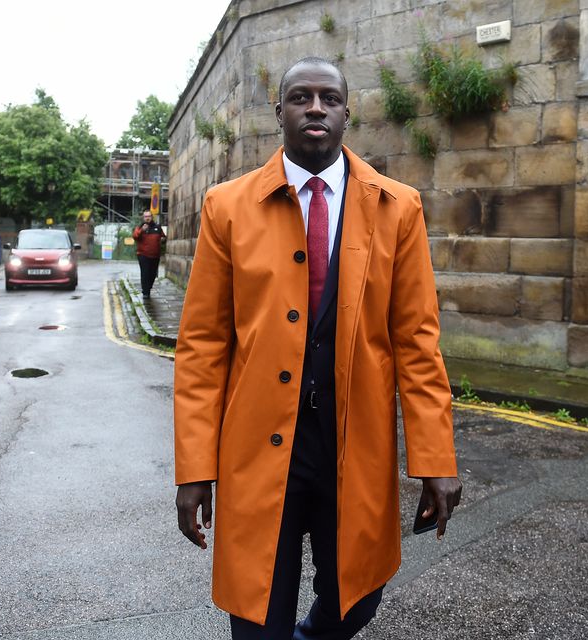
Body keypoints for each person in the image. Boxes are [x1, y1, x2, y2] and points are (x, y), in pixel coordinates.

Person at [174, 57, 462, 639]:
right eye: (300, 97)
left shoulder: (397, 207)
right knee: (257, 616)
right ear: (278, 111)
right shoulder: (226, 207)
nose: (314, 107)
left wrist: (436, 460)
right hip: (258, 449)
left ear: (346, 114)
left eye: (328, 98)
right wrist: (194, 470)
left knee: (356, 600)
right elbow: (203, 345)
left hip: (353, 449)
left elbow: (417, 341)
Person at [132, 210, 166, 297]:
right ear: (143, 218)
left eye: (149, 216)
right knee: (145, 273)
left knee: (153, 274)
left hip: (155, 255)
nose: (147, 218)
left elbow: (163, 237)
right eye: (145, 216)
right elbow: (135, 236)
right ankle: (146, 292)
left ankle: (148, 287)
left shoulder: (157, 227)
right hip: (143, 255)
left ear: (152, 217)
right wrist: (142, 230)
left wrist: (163, 239)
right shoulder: (139, 227)